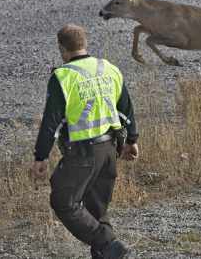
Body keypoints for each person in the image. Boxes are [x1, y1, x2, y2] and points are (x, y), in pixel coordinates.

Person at [31, 24, 139, 259]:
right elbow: (126, 108)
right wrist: (132, 139)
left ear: (62, 48)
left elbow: (51, 122)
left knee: (63, 201)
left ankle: (109, 243)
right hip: (110, 150)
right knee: (96, 210)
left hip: (83, 153)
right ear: (84, 43)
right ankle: (107, 252)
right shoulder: (108, 68)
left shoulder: (63, 76)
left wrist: (41, 157)